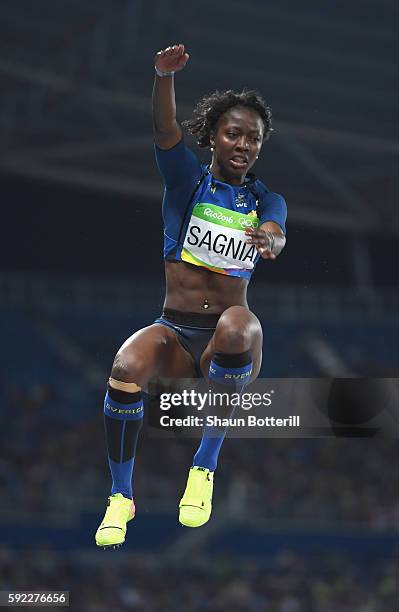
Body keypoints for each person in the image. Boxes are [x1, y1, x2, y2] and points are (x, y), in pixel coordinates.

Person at [95, 43, 287, 548]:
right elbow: (164, 131)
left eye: (254, 138)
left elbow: (277, 225)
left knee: (239, 322)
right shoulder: (186, 183)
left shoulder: (264, 198)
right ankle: (120, 497)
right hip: (177, 337)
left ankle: (203, 470)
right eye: (234, 134)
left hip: (227, 347)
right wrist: (162, 76)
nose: (244, 144)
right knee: (124, 366)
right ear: (213, 139)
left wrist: (270, 237)